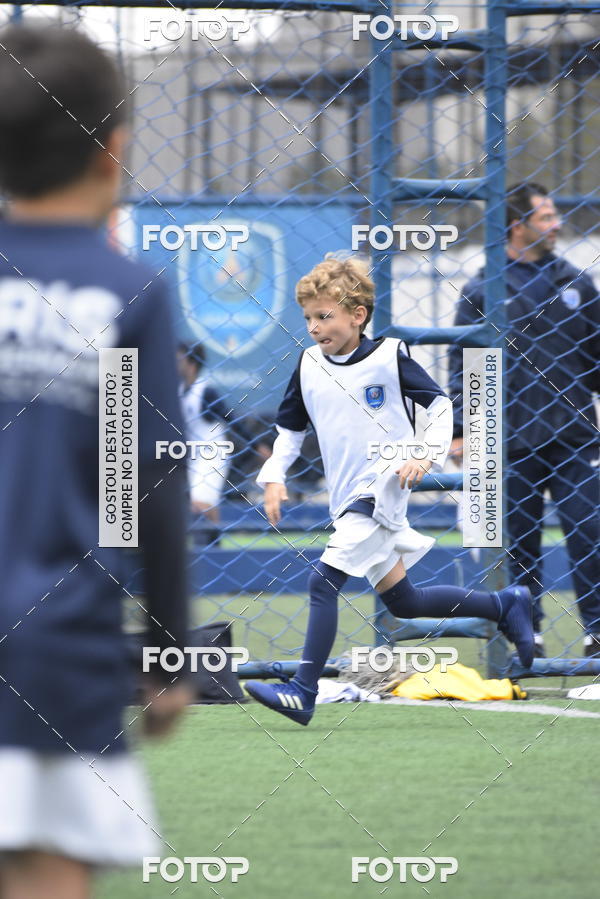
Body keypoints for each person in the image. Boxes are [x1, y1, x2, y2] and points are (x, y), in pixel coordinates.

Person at [0, 24, 192, 899]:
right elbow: (148, 476)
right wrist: (167, 651)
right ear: (113, 152)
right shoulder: (128, 294)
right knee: (43, 865)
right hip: (55, 646)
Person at [244, 255, 534, 726]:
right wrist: (274, 475)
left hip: (378, 489)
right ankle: (505, 604)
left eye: (325, 316)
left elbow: (440, 407)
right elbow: (289, 430)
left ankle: (302, 691)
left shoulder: (389, 356)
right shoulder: (308, 364)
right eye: (308, 319)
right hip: (347, 498)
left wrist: (423, 453)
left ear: (357, 316)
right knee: (405, 602)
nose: (315, 328)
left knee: (323, 582)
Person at [448, 182, 600, 658]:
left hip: (575, 435)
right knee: (517, 543)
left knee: (590, 531)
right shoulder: (482, 289)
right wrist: (462, 428)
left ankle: (598, 633)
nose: (557, 225)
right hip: (507, 437)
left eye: (555, 216)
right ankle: (524, 634)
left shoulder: (577, 283)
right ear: (517, 226)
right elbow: (464, 365)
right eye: (546, 217)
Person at [177, 341, 270, 538]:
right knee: (203, 505)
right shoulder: (178, 391)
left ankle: (212, 547)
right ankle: (213, 547)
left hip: (213, 454)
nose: (174, 362)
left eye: (180, 358)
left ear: (192, 363)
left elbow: (231, 420)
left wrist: (256, 446)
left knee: (199, 502)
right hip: (190, 455)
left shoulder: (205, 392)